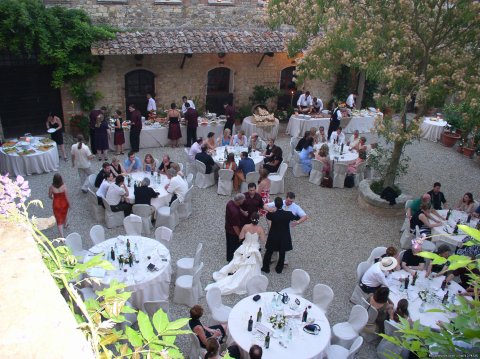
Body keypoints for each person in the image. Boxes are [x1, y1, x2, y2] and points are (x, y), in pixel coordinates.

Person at [206, 212, 265, 295]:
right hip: (254, 249)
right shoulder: (260, 229)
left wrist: (246, 235)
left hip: (245, 247)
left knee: (236, 260)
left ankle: (232, 272)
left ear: (251, 219)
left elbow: (241, 237)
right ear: (258, 220)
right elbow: (263, 240)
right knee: (252, 265)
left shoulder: (245, 227)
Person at [261, 197, 298, 274]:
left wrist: (272, 210)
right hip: (284, 236)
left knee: (269, 252)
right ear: (282, 204)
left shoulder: (272, 214)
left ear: (275, 205)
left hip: (273, 236)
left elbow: (267, 216)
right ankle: (279, 269)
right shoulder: (288, 214)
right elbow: (296, 217)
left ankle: (265, 268)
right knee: (282, 253)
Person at [225, 193, 246, 261]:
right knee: (235, 247)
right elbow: (235, 226)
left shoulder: (230, 202)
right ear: (239, 201)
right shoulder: (235, 213)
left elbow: (238, 207)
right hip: (233, 232)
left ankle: (229, 258)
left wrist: (243, 212)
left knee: (229, 245)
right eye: (243, 200)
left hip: (227, 228)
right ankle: (233, 260)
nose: (244, 201)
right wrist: (240, 236)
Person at [48, 173, 70, 238]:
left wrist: (53, 197)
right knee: (65, 213)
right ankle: (65, 224)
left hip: (56, 203)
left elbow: (49, 196)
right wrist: (69, 203)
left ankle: (62, 236)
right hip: (64, 203)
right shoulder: (64, 186)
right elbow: (67, 196)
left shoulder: (51, 187)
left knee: (59, 220)